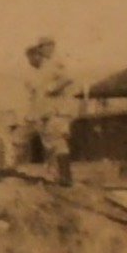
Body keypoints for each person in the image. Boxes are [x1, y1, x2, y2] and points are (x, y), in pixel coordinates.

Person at [24, 36, 77, 186]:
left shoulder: (55, 63)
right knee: (50, 144)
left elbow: (67, 78)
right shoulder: (41, 70)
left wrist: (51, 89)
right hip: (46, 113)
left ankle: (66, 177)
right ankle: (55, 176)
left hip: (57, 111)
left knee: (58, 142)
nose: (45, 49)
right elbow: (37, 97)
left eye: (46, 46)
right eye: (43, 46)